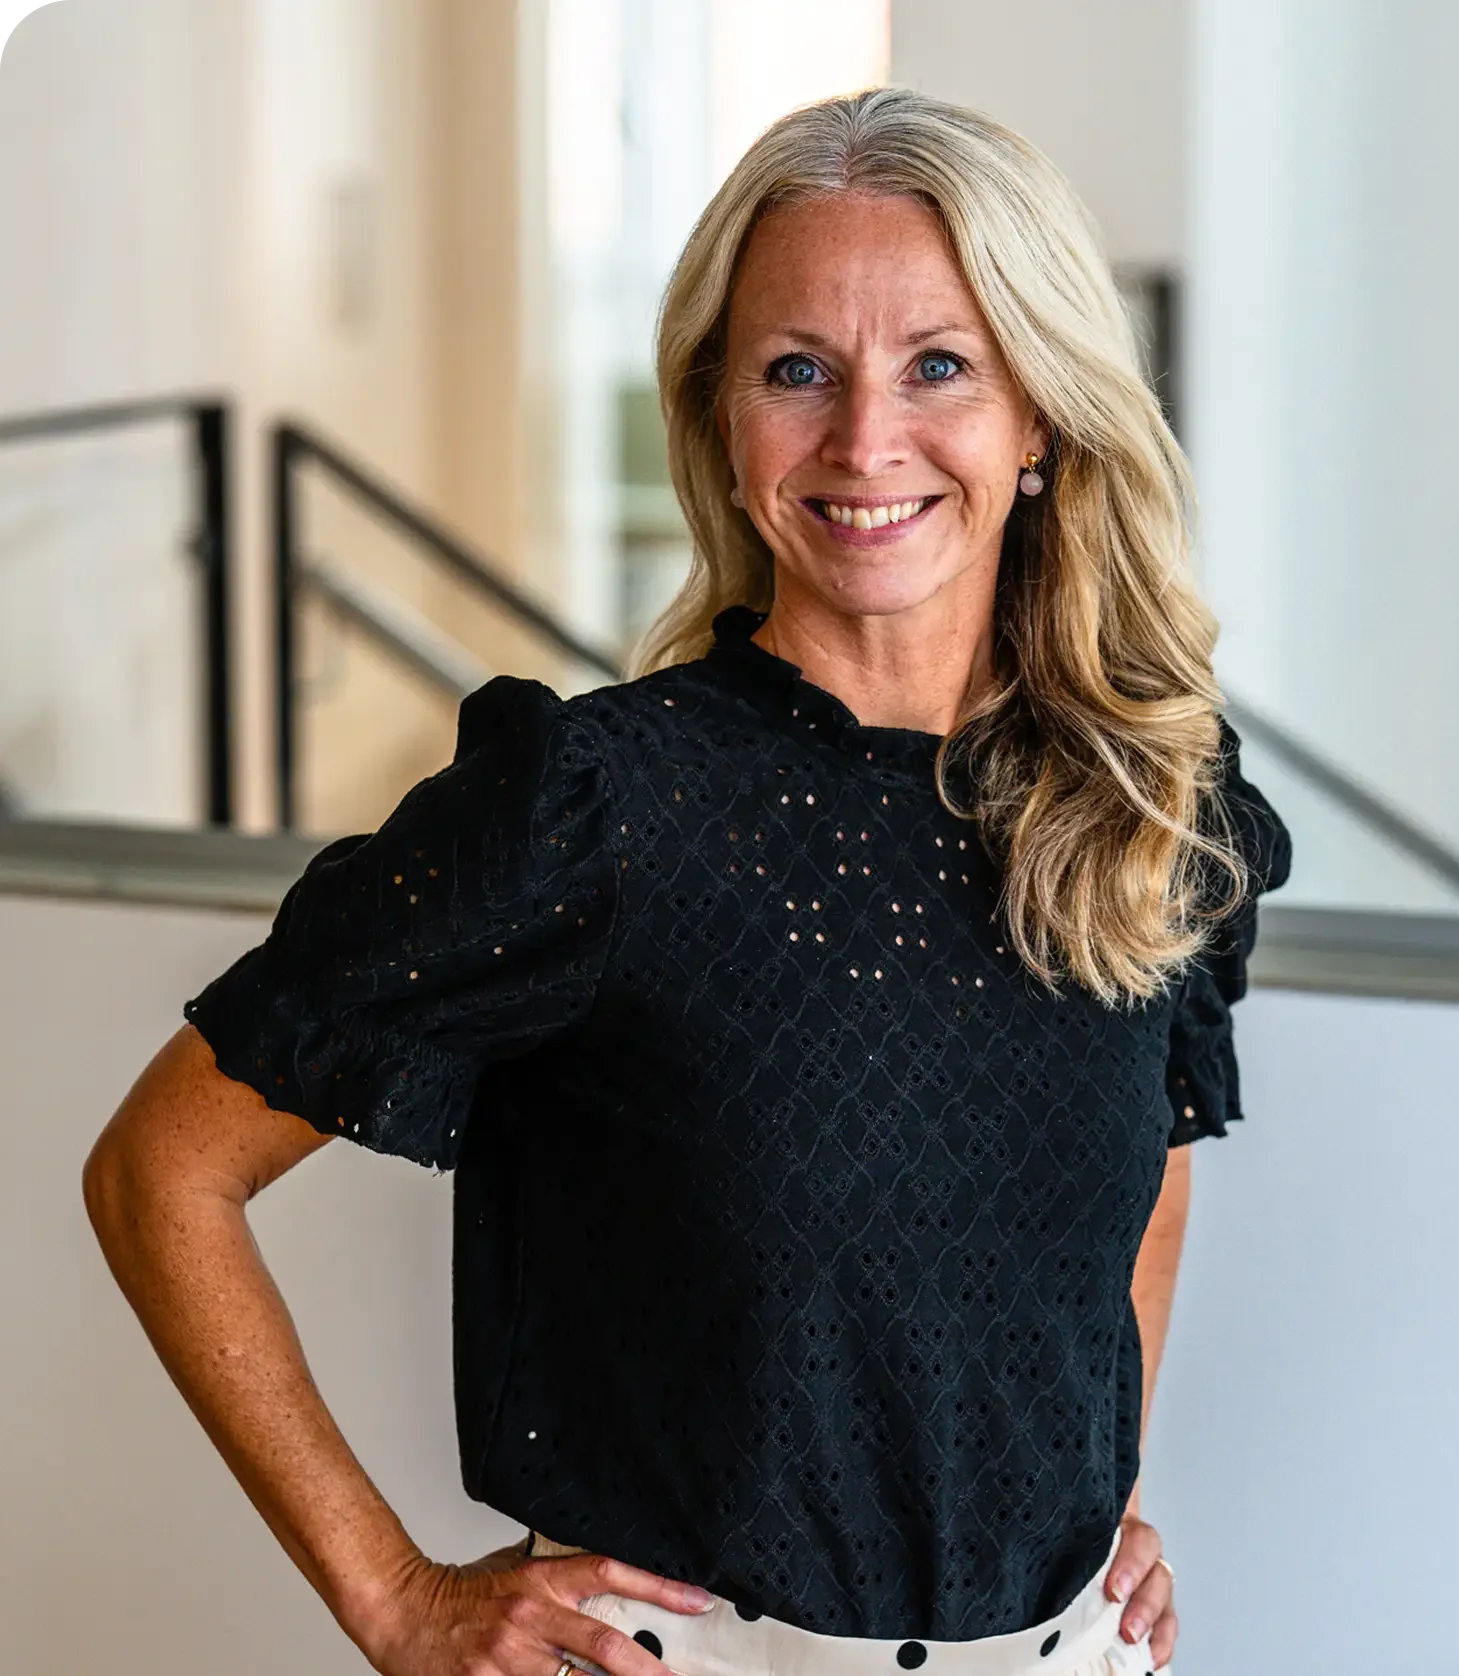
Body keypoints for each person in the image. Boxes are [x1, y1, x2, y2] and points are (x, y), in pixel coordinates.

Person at [84, 87, 1290, 1676]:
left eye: (941, 366)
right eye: (799, 371)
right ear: (721, 416)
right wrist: (394, 1596)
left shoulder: (1148, 799)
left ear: (1041, 418)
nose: (868, 443)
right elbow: (162, 1172)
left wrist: (1087, 1494)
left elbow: (1152, 1161)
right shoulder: (597, 808)